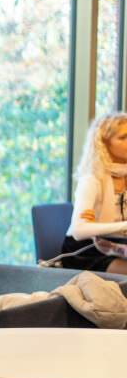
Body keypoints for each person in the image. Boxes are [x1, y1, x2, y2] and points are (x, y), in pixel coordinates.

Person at [60, 112, 127, 274]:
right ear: (104, 143)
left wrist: (98, 227)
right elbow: (79, 230)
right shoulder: (92, 180)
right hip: (84, 251)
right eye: (123, 137)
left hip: (115, 246)